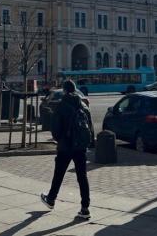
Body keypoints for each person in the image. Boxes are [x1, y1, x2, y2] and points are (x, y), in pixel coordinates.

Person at [41, 79, 94, 219]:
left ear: (64, 90)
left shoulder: (61, 106)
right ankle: (85, 208)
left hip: (65, 146)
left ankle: (51, 199)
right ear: (75, 90)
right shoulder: (83, 106)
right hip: (80, 147)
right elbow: (90, 127)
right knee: (82, 177)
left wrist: (61, 140)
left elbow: (55, 130)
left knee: (59, 174)